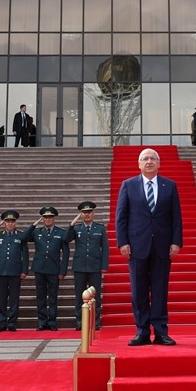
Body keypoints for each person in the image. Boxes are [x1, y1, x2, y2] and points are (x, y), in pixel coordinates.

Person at [116, 148, 182, 346]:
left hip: (162, 245)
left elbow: (176, 217)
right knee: (139, 290)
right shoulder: (128, 185)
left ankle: (161, 331)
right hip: (137, 246)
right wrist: (123, 242)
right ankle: (142, 331)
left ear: (159, 163)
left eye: (153, 158)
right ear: (139, 164)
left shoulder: (169, 186)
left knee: (160, 289)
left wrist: (176, 242)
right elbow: (121, 217)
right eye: (145, 159)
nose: (149, 161)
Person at [21, 206, 70, 331]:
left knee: (53, 297)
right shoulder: (37, 232)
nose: (48, 220)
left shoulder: (60, 233)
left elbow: (66, 253)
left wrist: (63, 271)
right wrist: (33, 225)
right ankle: (42, 322)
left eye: (50, 217)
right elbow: (23, 238)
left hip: (54, 269)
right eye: (45, 217)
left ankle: (52, 322)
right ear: (42, 219)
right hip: (40, 268)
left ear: (54, 218)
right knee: (41, 296)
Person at [68, 200, 109, 330]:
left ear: (93, 213)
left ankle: (95, 322)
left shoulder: (100, 228)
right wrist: (71, 225)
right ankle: (80, 322)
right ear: (81, 214)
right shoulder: (77, 228)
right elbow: (66, 239)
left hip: (95, 266)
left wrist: (104, 265)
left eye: (89, 212)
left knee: (95, 295)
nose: (87, 215)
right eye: (84, 213)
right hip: (80, 267)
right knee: (79, 296)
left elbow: (105, 248)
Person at [0, 210, 28, 331]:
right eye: (7, 221)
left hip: (15, 271)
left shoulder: (20, 235)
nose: (10, 224)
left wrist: (24, 270)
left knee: (14, 299)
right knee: (2, 299)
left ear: (15, 223)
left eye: (12, 221)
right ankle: (2, 322)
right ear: (4, 223)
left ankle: (12, 322)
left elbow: (25, 254)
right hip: (1, 270)